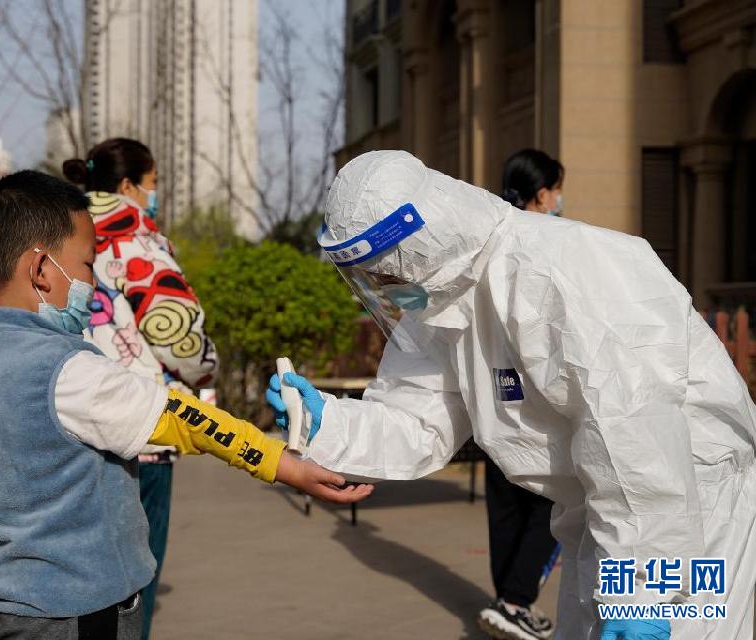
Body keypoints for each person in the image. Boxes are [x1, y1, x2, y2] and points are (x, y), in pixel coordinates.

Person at [267, 150, 756, 639]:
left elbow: (633, 438)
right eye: (369, 277)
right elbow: (418, 420)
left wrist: (644, 594)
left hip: (693, 514)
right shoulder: (442, 297)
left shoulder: (567, 267)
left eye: (384, 271)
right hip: (601, 521)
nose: (381, 286)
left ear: (418, 240)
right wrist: (328, 423)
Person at [0, 170, 371, 639]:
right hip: (75, 608)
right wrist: (282, 464)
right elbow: (184, 420)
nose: (93, 286)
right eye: (87, 267)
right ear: (41, 270)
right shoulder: (67, 369)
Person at [63, 137, 217, 638]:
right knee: (135, 572)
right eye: (153, 182)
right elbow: (178, 330)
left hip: (71, 416)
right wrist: (205, 367)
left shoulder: (60, 228)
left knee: (83, 572)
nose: (155, 193)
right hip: (140, 423)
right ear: (128, 185)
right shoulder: (136, 236)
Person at [475, 148, 566, 640]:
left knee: (505, 502)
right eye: (556, 189)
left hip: (493, 391)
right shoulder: (551, 241)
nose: (559, 200)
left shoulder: (486, 238)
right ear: (543, 193)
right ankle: (515, 601)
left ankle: (506, 601)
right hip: (538, 394)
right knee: (551, 503)